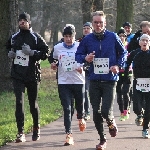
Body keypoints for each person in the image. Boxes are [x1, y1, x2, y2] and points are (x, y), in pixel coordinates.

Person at [75, 11, 127, 150]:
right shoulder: (87, 39)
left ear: (105, 24)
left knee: (105, 111)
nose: (98, 25)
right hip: (94, 79)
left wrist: (118, 65)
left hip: (110, 79)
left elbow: (123, 53)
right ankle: (102, 139)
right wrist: (85, 58)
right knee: (96, 112)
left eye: (100, 23)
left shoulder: (113, 37)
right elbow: (78, 55)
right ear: (92, 24)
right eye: (95, 23)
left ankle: (110, 122)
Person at [6, 12, 49, 142]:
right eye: (20, 21)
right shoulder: (14, 37)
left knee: (32, 104)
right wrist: (10, 53)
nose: (22, 22)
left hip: (32, 75)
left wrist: (32, 52)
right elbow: (7, 47)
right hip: (18, 75)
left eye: (24, 20)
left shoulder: (36, 37)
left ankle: (36, 127)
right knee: (19, 102)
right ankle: (21, 132)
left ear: (29, 22)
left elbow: (46, 53)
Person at [51, 24, 86, 146]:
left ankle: (81, 118)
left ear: (74, 36)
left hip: (78, 81)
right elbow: (53, 59)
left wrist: (83, 68)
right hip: (64, 81)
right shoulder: (58, 47)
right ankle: (68, 134)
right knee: (67, 108)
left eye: (70, 36)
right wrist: (54, 64)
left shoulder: (80, 46)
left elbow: (86, 60)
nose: (68, 39)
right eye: (66, 36)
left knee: (79, 105)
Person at [130, 34, 150, 138]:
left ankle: (145, 129)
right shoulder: (135, 53)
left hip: (149, 83)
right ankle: (139, 114)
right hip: (138, 82)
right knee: (136, 105)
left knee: (149, 108)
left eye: (147, 40)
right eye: (143, 40)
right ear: (139, 42)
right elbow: (126, 63)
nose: (145, 42)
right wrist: (125, 71)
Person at [116, 28, 133, 121]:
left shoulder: (129, 46)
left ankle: (126, 110)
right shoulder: (115, 47)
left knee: (125, 92)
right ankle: (121, 111)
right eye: (120, 36)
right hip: (118, 72)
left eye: (123, 36)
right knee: (119, 92)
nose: (122, 37)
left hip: (128, 72)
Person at [77, 22, 93, 121]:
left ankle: (98, 109)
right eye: (84, 28)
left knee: (94, 91)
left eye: (88, 28)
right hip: (83, 70)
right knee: (85, 90)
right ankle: (86, 111)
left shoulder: (95, 40)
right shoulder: (79, 41)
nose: (86, 30)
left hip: (95, 69)